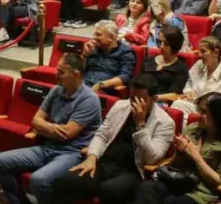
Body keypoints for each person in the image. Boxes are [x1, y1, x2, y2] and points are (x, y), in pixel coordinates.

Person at [0, 53, 104, 204]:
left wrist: (42, 128)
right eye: (57, 70)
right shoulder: (56, 90)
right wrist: (49, 127)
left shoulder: (89, 99)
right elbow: (36, 120)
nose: (56, 74)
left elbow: (67, 133)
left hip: (72, 154)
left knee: (39, 180)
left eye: (61, 72)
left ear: (76, 74)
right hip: (47, 148)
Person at [52, 74, 175, 204]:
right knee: (65, 181)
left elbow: (153, 158)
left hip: (132, 171)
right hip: (105, 163)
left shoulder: (165, 122)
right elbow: (102, 134)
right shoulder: (120, 106)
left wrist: (140, 125)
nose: (135, 103)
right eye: (132, 98)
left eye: (141, 99)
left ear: (154, 99)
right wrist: (91, 158)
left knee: (109, 190)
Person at [133, 92, 221, 204]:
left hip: (201, 192)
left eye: (204, 112)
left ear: (218, 116)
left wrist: (196, 156)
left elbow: (220, 182)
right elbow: (173, 164)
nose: (199, 115)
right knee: (147, 188)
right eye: (199, 110)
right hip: (178, 180)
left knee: (171, 202)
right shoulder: (193, 129)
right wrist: (179, 153)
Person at [172, 36, 221, 115]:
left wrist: (196, 100)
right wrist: (191, 97)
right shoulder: (199, 65)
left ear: (215, 52)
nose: (199, 55)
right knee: (177, 105)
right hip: (195, 106)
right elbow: (189, 84)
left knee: (178, 106)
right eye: (199, 51)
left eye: (203, 51)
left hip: (214, 114)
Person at [83, 20, 136, 94]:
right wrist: (85, 55)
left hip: (104, 89)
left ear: (112, 37)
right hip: (83, 85)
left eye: (98, 35)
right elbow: (78, 70)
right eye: (94, 34)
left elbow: (125, 77)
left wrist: (101, 84)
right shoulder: (92, 48)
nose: (94, 37)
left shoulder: (125, 52)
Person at [141, 25, 189, 99]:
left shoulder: (181, 68)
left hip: (160, 102)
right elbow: (137, 82)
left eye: (166, 44)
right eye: (160, 42)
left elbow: (174, 95)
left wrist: (152, 99)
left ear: (174, 46)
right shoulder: (149, 60)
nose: (161, 46)